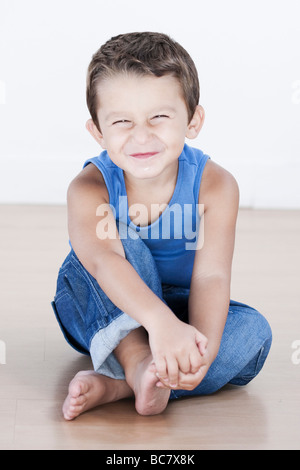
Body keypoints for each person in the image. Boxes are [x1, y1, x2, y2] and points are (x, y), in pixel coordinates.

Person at [51, 32, 272, 420]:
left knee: (253, 334)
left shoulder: (215, 185)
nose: (141, 135)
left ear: (193, 119)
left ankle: (124, 383)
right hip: (105, 303)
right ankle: (137, 358)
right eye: (122, 121)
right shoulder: (90, 188)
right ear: (98, 132)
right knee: (112, 249)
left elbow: (212, 278)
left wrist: (196, 346)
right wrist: (159, 323)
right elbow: (103, 264)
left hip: (180, 306)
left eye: (159, 116)